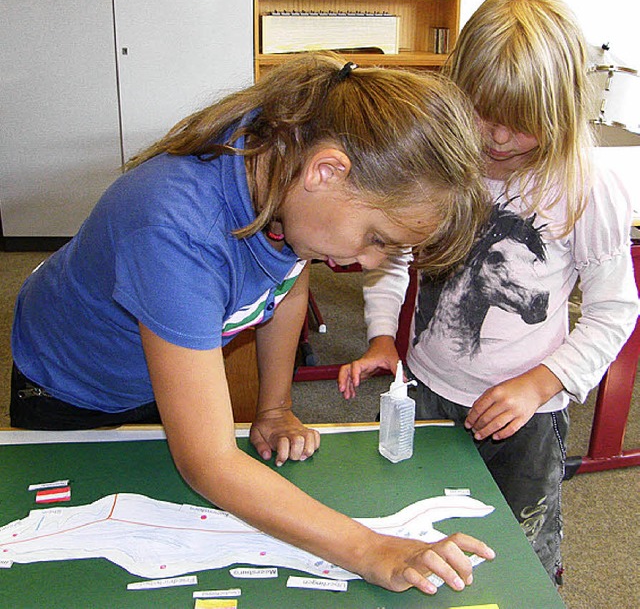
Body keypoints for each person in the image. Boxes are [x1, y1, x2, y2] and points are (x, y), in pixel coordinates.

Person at [10, 53, 495, 595]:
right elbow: (209, 462)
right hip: (71, 383)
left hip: (161, 362)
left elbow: (289, 276)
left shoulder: (291, 164)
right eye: (377, 237)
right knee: (80, 574)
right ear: (327, 172)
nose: (372, 262)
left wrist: (275, 407)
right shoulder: (174, 227)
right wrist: (370, 547)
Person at [338, 0, 639, 585]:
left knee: (520, 557)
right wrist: (379, 338)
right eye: (482, 115)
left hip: (526, 417)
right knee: (415, 533)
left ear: (559, 111)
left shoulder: (586, 186)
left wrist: (537, 384)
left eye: (521, 125)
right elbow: (392, 257)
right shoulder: (440, 163)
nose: (498, 140)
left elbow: (613, 311)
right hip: (426, 391)